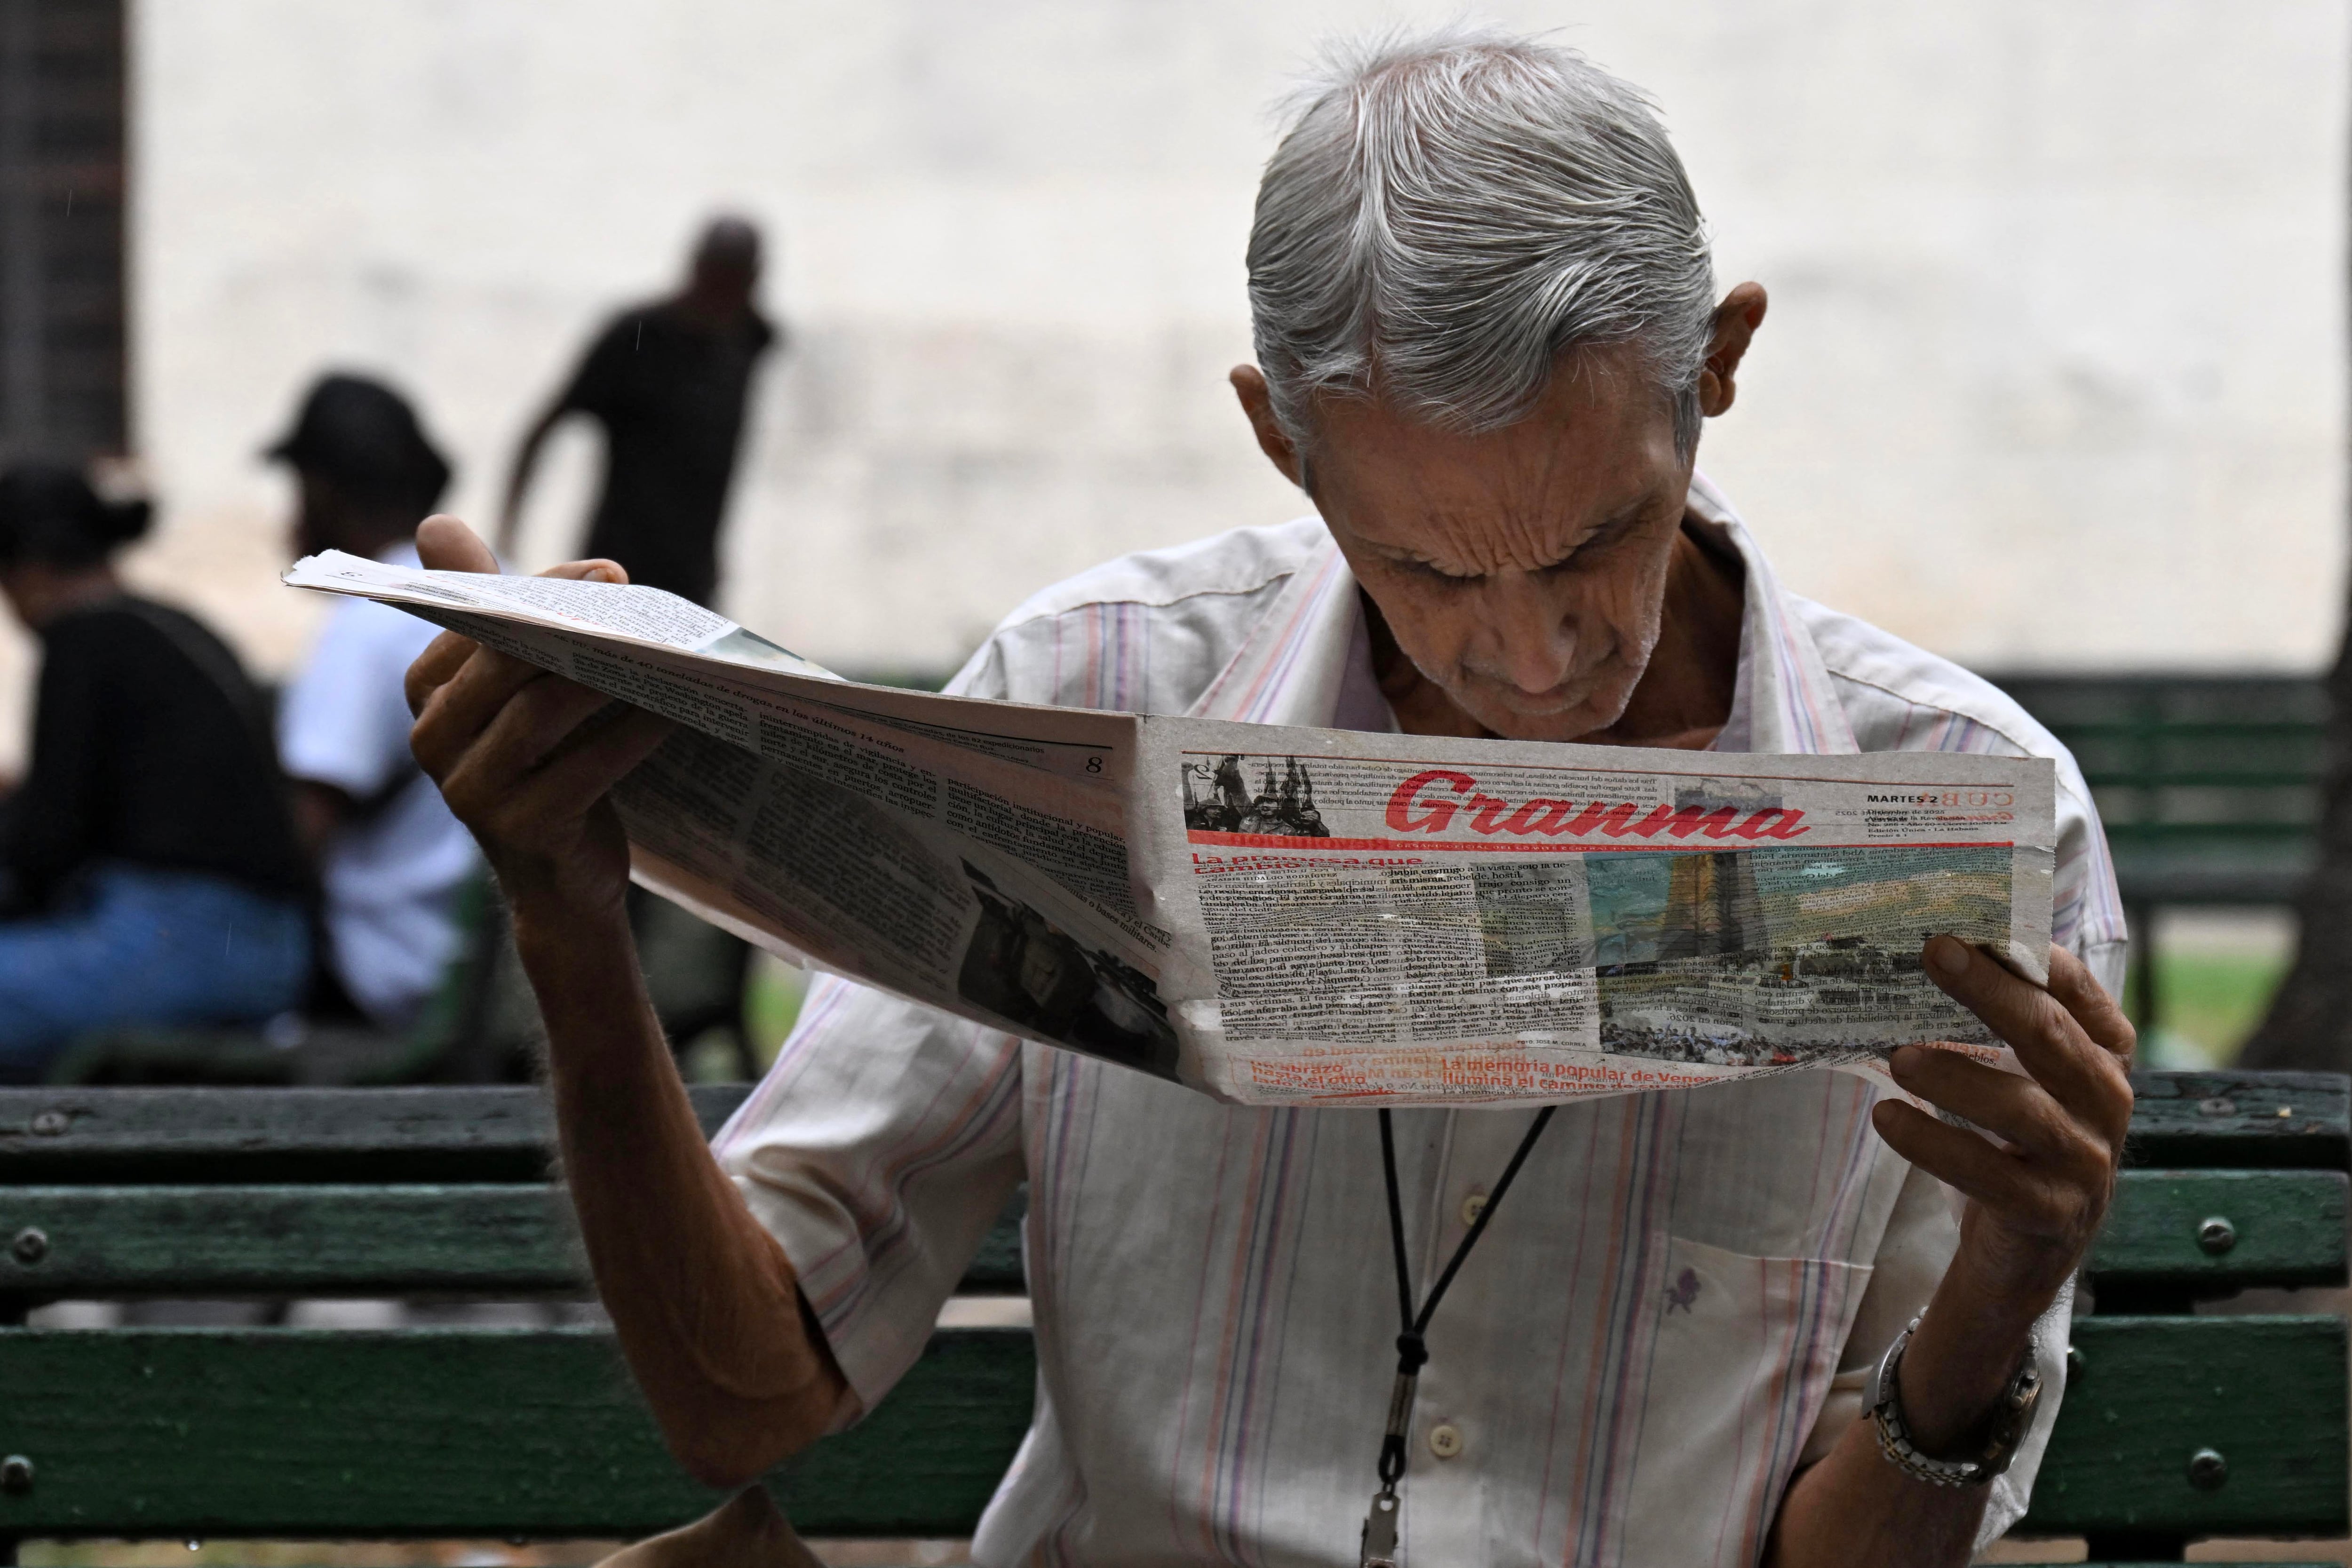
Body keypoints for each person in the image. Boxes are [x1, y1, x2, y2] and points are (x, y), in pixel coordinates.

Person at [403, 31, 2134, 1568]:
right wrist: (567, 910)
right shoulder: (1092, 695)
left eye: (1596, 540)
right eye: (1418, 567)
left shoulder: (1965, 816)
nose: (1529, 657)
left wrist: (1998, 1292)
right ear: (1277, 441)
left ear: (1721, 366)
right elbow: (747, 1400)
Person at [0, 462, 311, 1079]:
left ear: (30, 571)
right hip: (270, 950)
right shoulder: (171, 624)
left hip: (183, 942)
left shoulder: (80, 639)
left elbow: (45, 847)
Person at [270, 374, 479, 1029]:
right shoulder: (490, 582)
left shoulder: (370, 618)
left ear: (320, 490)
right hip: (476, 963)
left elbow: (307, 826)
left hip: (379, 969)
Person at [498, 216, 778, 608]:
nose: (721, 296)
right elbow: (543, 429)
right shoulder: (637, 335)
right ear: (695, 268)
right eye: (716, 278)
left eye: (733, 282)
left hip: (696, 576)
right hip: (617, 569)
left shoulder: (753, 340)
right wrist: (508, 539)